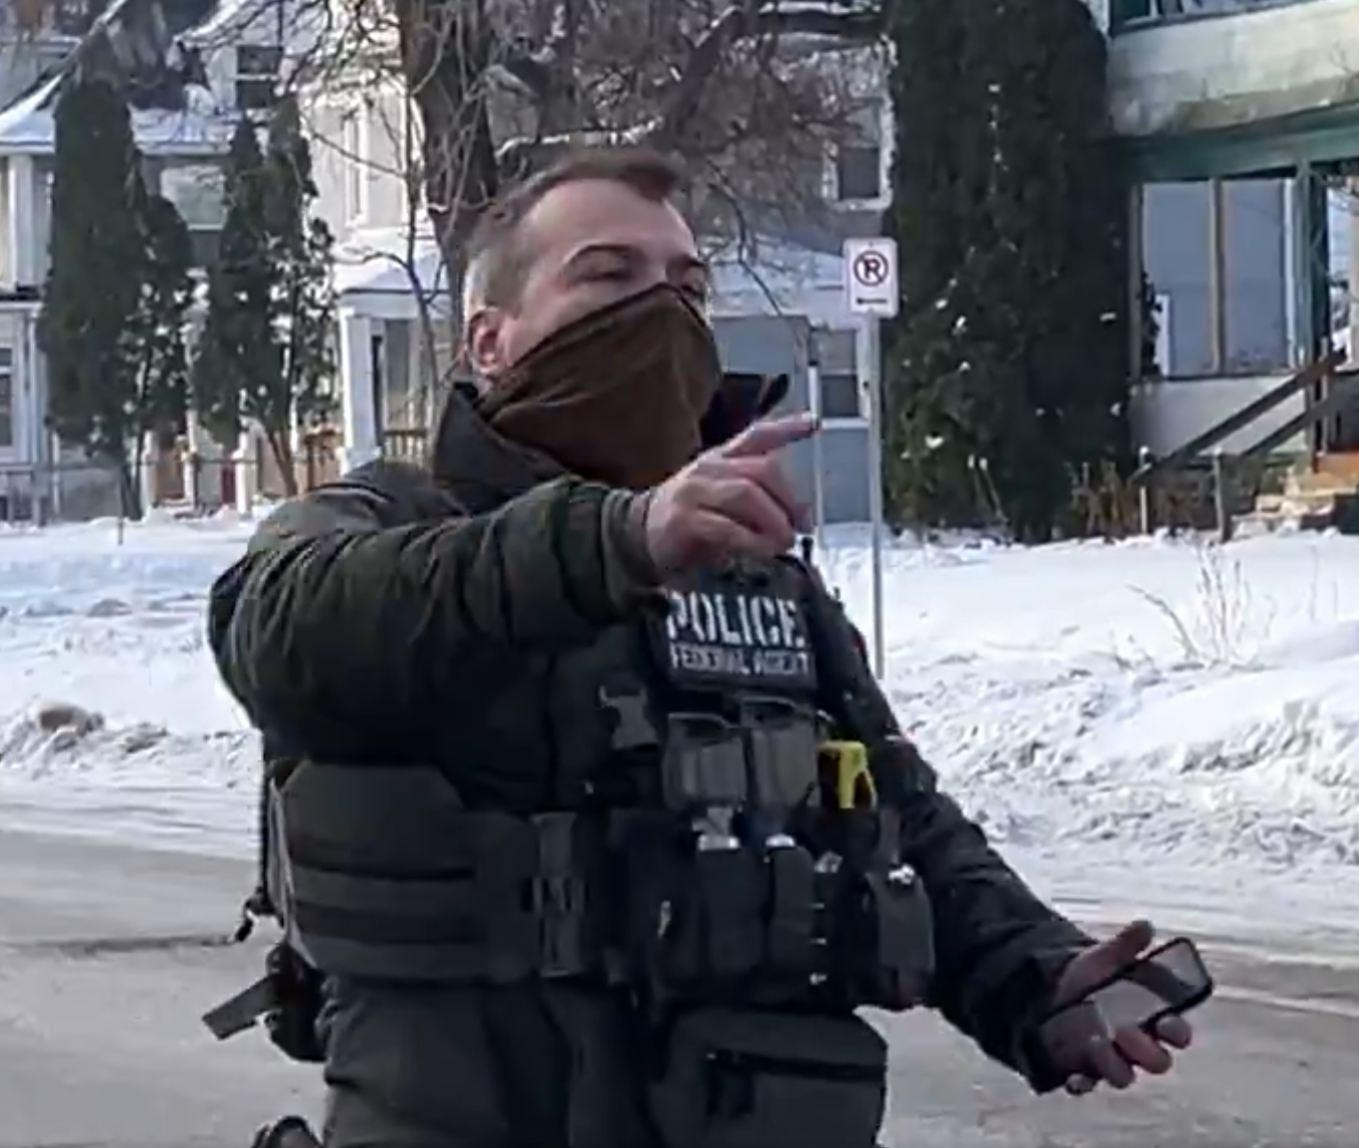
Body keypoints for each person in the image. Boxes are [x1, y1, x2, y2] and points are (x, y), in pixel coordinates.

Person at [206, 147, 1193, 1148]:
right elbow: (278, 629)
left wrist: (1036, 975)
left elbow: (895, 820)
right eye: (609, 275)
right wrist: (614, 540)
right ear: (490, 341)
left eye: (687, 287)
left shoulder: (755, 577)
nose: (662, 314)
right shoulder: (387, 523)